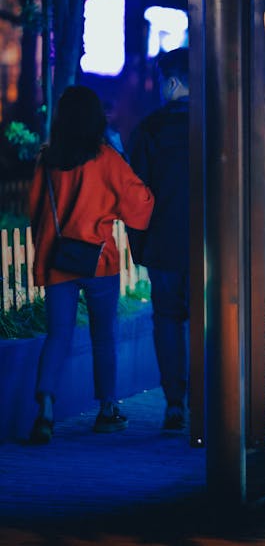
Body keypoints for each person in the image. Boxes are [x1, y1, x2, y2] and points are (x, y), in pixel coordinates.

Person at [28, 86, 154, 444]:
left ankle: (46, 410)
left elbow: (33, 209)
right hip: (98, 260)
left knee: (57, 335)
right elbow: (139, 206)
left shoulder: (48, 159)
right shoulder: (106, 158)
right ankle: (107, 409)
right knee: (104, 337)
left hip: (57, 261)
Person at [128, 48, 189, 431]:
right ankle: (212, 397)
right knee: (212, 323)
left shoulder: (149, 129)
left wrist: (141, 248)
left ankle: (174, 404)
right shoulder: (218, 124)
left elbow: (138, 195)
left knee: (167, 322)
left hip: (164, 247)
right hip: (213, 246)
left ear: (171, 82)